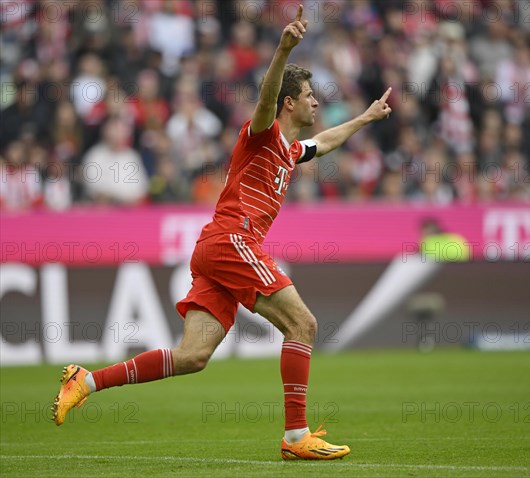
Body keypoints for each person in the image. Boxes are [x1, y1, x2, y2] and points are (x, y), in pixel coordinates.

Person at [52, 5, 392, 461]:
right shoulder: (263, 132)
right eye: (310, 96)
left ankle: (85, 380)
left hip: (215, 248)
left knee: (192, 355)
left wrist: (367, 118)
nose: (316, 102)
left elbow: (325, 142)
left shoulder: (289, 151)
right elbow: (268, 94)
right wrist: (283, 49)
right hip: (234, 240)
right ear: (290, 103)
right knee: (303, 324)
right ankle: (296, 436)